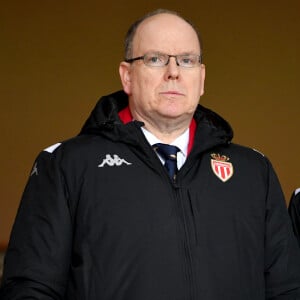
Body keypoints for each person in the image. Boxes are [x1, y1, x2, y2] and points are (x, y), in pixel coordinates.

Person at [1, 8, 300, 300]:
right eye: (155, 59)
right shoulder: (66, 164)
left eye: (187, 60)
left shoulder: (254, 172)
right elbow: (31, 288)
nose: (173, 73)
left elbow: (287, 289)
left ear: (202, 78)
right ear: (127, 76)